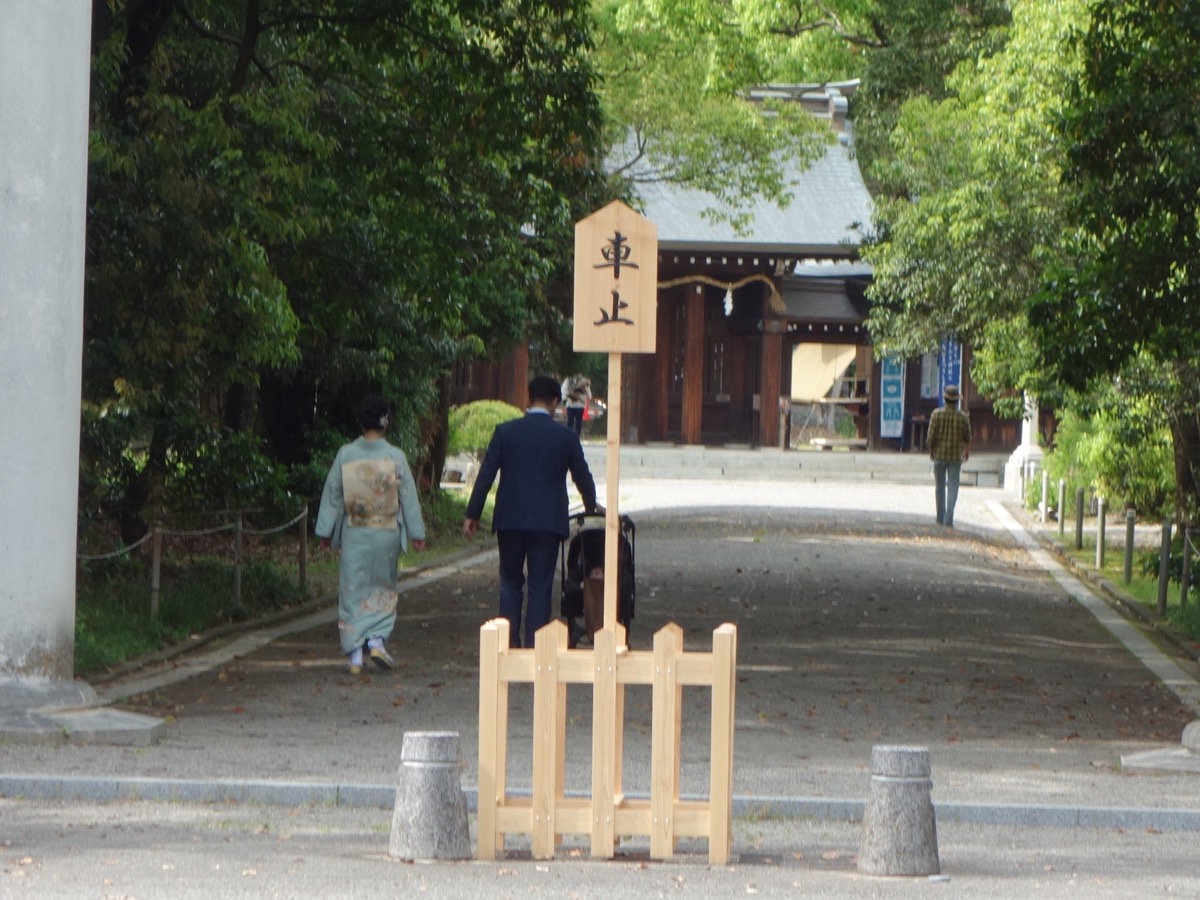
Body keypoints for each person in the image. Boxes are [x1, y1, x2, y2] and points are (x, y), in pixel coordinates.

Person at [463, 375, 602, 647]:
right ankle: (535, 646)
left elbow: (486, 475)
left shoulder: (506, 432)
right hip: (547, 521)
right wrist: (590, 504)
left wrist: (473, 514)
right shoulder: (566, 437)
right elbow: (582, 476)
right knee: (540, 585)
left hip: (510, 519)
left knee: (510, 581)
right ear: (555, 401)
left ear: (528, 396)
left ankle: (507, 643)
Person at [315, 395, 426, 674]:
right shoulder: (395, 456)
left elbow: (332, 494)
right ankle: (376, 639)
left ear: (361, 422)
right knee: (382, 585)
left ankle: (354, 653)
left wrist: (324, 532)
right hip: (386, 531)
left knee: (352, 587)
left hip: (356, 529)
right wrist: (417, 532)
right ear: (386, 422)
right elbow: (408, 497)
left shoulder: (346, 454)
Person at [928, 383, 972, 528]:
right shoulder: (963, 417)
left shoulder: (936, 414)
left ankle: (940, 517)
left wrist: (931, 451)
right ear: (957, 400)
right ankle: (949, 519)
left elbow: (930, 437)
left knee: (939, 487)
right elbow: (967, 437)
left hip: (939, 455)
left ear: (945, 399)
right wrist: (966, 451)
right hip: (955, 457)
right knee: (953, 487)